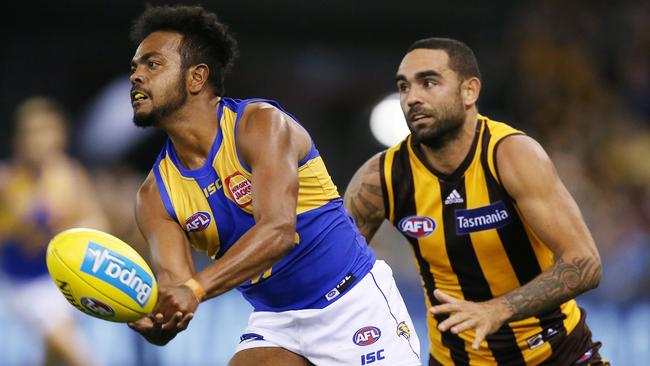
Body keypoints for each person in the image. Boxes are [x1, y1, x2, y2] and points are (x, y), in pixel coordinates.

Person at [125, 5, 421, 365]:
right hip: (278, 323)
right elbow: (178, 289)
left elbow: (279, 232)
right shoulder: (154, 197)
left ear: (196, 78)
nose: (137, 76)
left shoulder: (261, 126)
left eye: (152, 65)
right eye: (135, 68)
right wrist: (159, 319)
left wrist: (194, 289)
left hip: (353, 304)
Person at [344, 38, 608, 365]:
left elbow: (585, 263)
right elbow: (335, 272)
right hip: (456, 360)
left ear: (470, 91)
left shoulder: (512, 155)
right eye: (404, 87)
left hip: (557, 355)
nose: (412, 98)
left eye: (428, 83)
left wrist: (499, 309)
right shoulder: (380, 177)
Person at [0, 97, 107, 366]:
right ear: (20, 140)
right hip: (24, 284)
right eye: (34, 132)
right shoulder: (7, 180)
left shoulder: (72, 175)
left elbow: (98, 223)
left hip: (65, 281)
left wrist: (76, 228)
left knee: (55, 353)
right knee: (72, 350)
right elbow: (22, 231)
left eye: (48, 131)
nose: (42, 140)